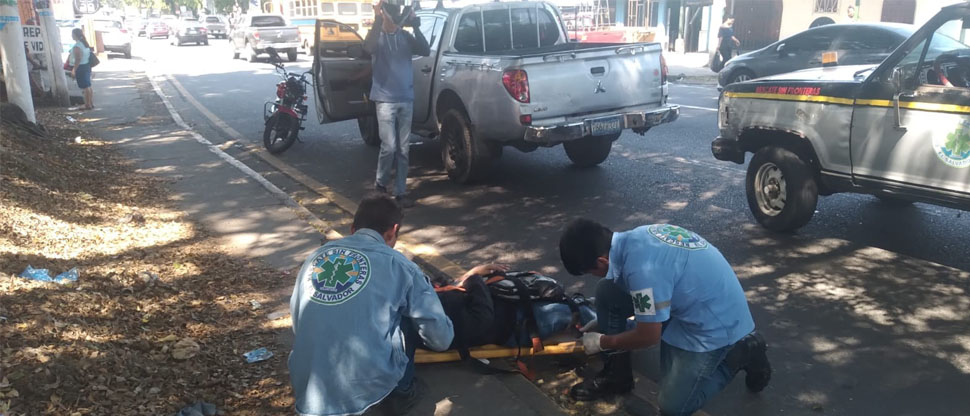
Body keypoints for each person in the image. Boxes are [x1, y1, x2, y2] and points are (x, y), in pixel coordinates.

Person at [558, 219, 771, 416]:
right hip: (691, 300)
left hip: (712, 323)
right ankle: (617, 377)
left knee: (673, 407)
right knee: (606, 291)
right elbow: (639, 290)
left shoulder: (642, 272)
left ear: (602, 261)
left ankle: (742, 353)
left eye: (589, 272)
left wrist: (603, 342)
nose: (592, 276)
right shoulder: (632, 240)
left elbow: (648, 336)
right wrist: (604, 319)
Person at [289, 194, 454, 416]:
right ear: (392, 231)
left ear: (352, 228)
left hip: (308, 390)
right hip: (365, 396)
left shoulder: (315, 258)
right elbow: (440, 339)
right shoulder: (400, 266)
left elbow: (299, 321)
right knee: (406, 314)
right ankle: (401, 392)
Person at [362, 0, 430, 208]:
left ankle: (400, 192)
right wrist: (377, 18)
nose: (393, 17)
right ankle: (381, 185)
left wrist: (416, 25)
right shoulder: (377, 37)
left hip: (405, 99)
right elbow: (368, 48)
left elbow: (425, 50)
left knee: (403, 149)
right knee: (389, 147)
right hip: (384, 100)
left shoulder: (406, 37)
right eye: (389, 13)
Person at [68, 28, 94, 110]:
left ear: (75, 35)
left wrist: (74, 70)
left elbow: (78, 58)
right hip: (86, 65)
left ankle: (87, 104)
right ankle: (90, 103)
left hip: (80, 67)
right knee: (88, 85)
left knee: (85, 86)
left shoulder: (77, 46)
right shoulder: (84, 44)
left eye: (72, 34)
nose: (71, 36)